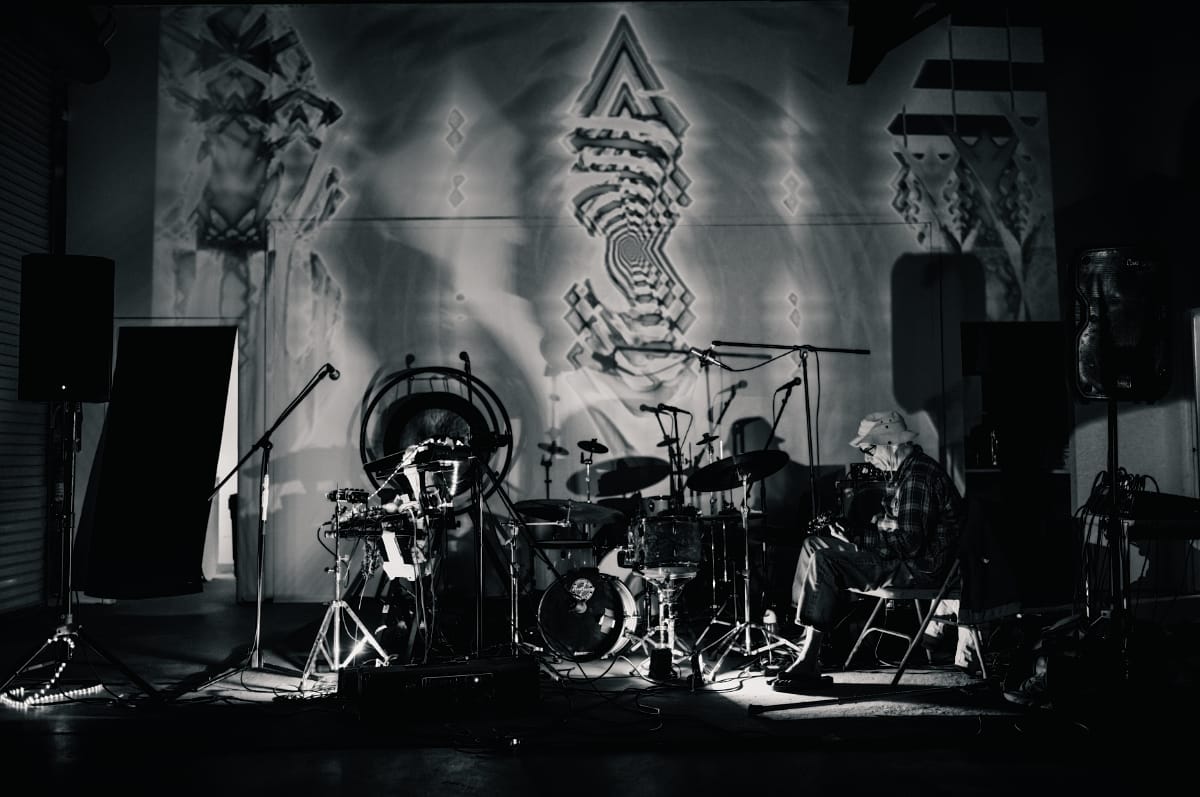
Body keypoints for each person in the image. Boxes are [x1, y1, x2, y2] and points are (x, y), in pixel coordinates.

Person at [773, 410, 965, 693]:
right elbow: (893, 531)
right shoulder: (904, 474)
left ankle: (810, 658)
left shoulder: (918, 476)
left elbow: (908, 545)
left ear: (890, 443)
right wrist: (865, 529)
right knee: (814, 544)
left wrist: (859, 537)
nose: (867, 457)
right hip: (904, 559)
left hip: (920, 569)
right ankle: (804, 638)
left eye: (869, 449)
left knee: (825, 560)